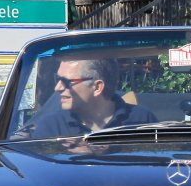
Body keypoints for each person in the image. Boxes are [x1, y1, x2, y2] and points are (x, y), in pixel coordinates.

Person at [27, 57, 156, 138]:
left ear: (97, 87)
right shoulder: (51, 128)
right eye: (58, 79)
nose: (57, 88)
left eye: (66, 81)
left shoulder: (141, 121)